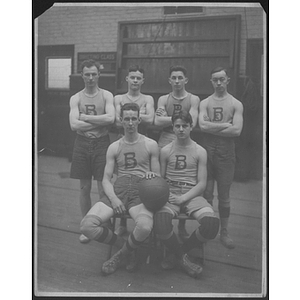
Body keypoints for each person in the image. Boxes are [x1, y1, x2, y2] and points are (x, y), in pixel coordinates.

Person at [80, 103, 161, 275]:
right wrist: (114, 199)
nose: (130, 123)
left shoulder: (151, 144)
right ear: (121, 121)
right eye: (127, 119)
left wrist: (151, 177)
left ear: (139, 120)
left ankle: (120, 255)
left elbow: (157, 176)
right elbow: (106, 179)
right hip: (119, 188)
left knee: (145, 227)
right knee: (87, 226)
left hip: (141, 190)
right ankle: (124, 247)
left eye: (133, 119)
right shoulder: (114, 146)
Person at [154, 110, 219, 278]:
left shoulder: (200, 151)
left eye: (185, 126)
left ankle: (178, 254)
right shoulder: (166, 150)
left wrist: (184, 197)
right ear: (173, 128)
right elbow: (161, 179)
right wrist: (166, 194)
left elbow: (202, 183)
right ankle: (184, 258)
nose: (181, 129)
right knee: (160, 222)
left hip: (192, 193)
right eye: (177, 126)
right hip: (171, 192)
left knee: (211, 224)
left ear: (191, 127)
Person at [69, 59, 115, 243]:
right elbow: (73, 125)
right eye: (86, 74)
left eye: (93, 74)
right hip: (82, 143)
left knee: (103, 186)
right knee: (84, 187)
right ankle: (87, 224)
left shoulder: (106, 96)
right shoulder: (76, 98)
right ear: (82, 75)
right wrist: (99, 120)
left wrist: (86, 117)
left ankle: (105, 222)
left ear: (98, 75)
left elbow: (111, 118)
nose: (90, 78)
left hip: (102, 142)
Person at [198, 67, 243, 249]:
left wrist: (212, 125)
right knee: (207, 193)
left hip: (226, 152)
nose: (219, 83)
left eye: (222, 79)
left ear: (228, 80)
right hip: (208, 151)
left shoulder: (235, 104)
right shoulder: (205, 103)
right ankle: (207, 228)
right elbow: (201, 126)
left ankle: (224, 231)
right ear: (211, 81)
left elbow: (237, 131)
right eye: (215, 80)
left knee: (224, 195)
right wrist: (225, 125)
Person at [154, 65, 200, 239]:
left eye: (180, 77)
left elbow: (193, 122)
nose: (177, 81)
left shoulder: (193, 99)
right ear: (169, 80)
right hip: (165, 137)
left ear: (185, 80)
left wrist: (169, 120)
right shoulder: (163, 99)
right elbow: (157, 122)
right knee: (161, 177)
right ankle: (160, 220)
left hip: (184, 139)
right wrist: (181, 120)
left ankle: (181, 224)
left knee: (184, 176)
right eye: (174, 78)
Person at [114, 65, 155, 236]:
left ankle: (144, 215)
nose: (135, 81)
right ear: (127, 79)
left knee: (144, 177)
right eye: (132, 77)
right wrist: (141, 115)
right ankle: (122, 222)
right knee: (122, 177)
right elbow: (117, 122)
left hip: (143, 140)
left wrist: (133, 117)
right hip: (123, 140)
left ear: (143, 80)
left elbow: (151, 119)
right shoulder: (118, 98)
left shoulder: (148, 98)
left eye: (138, 78)